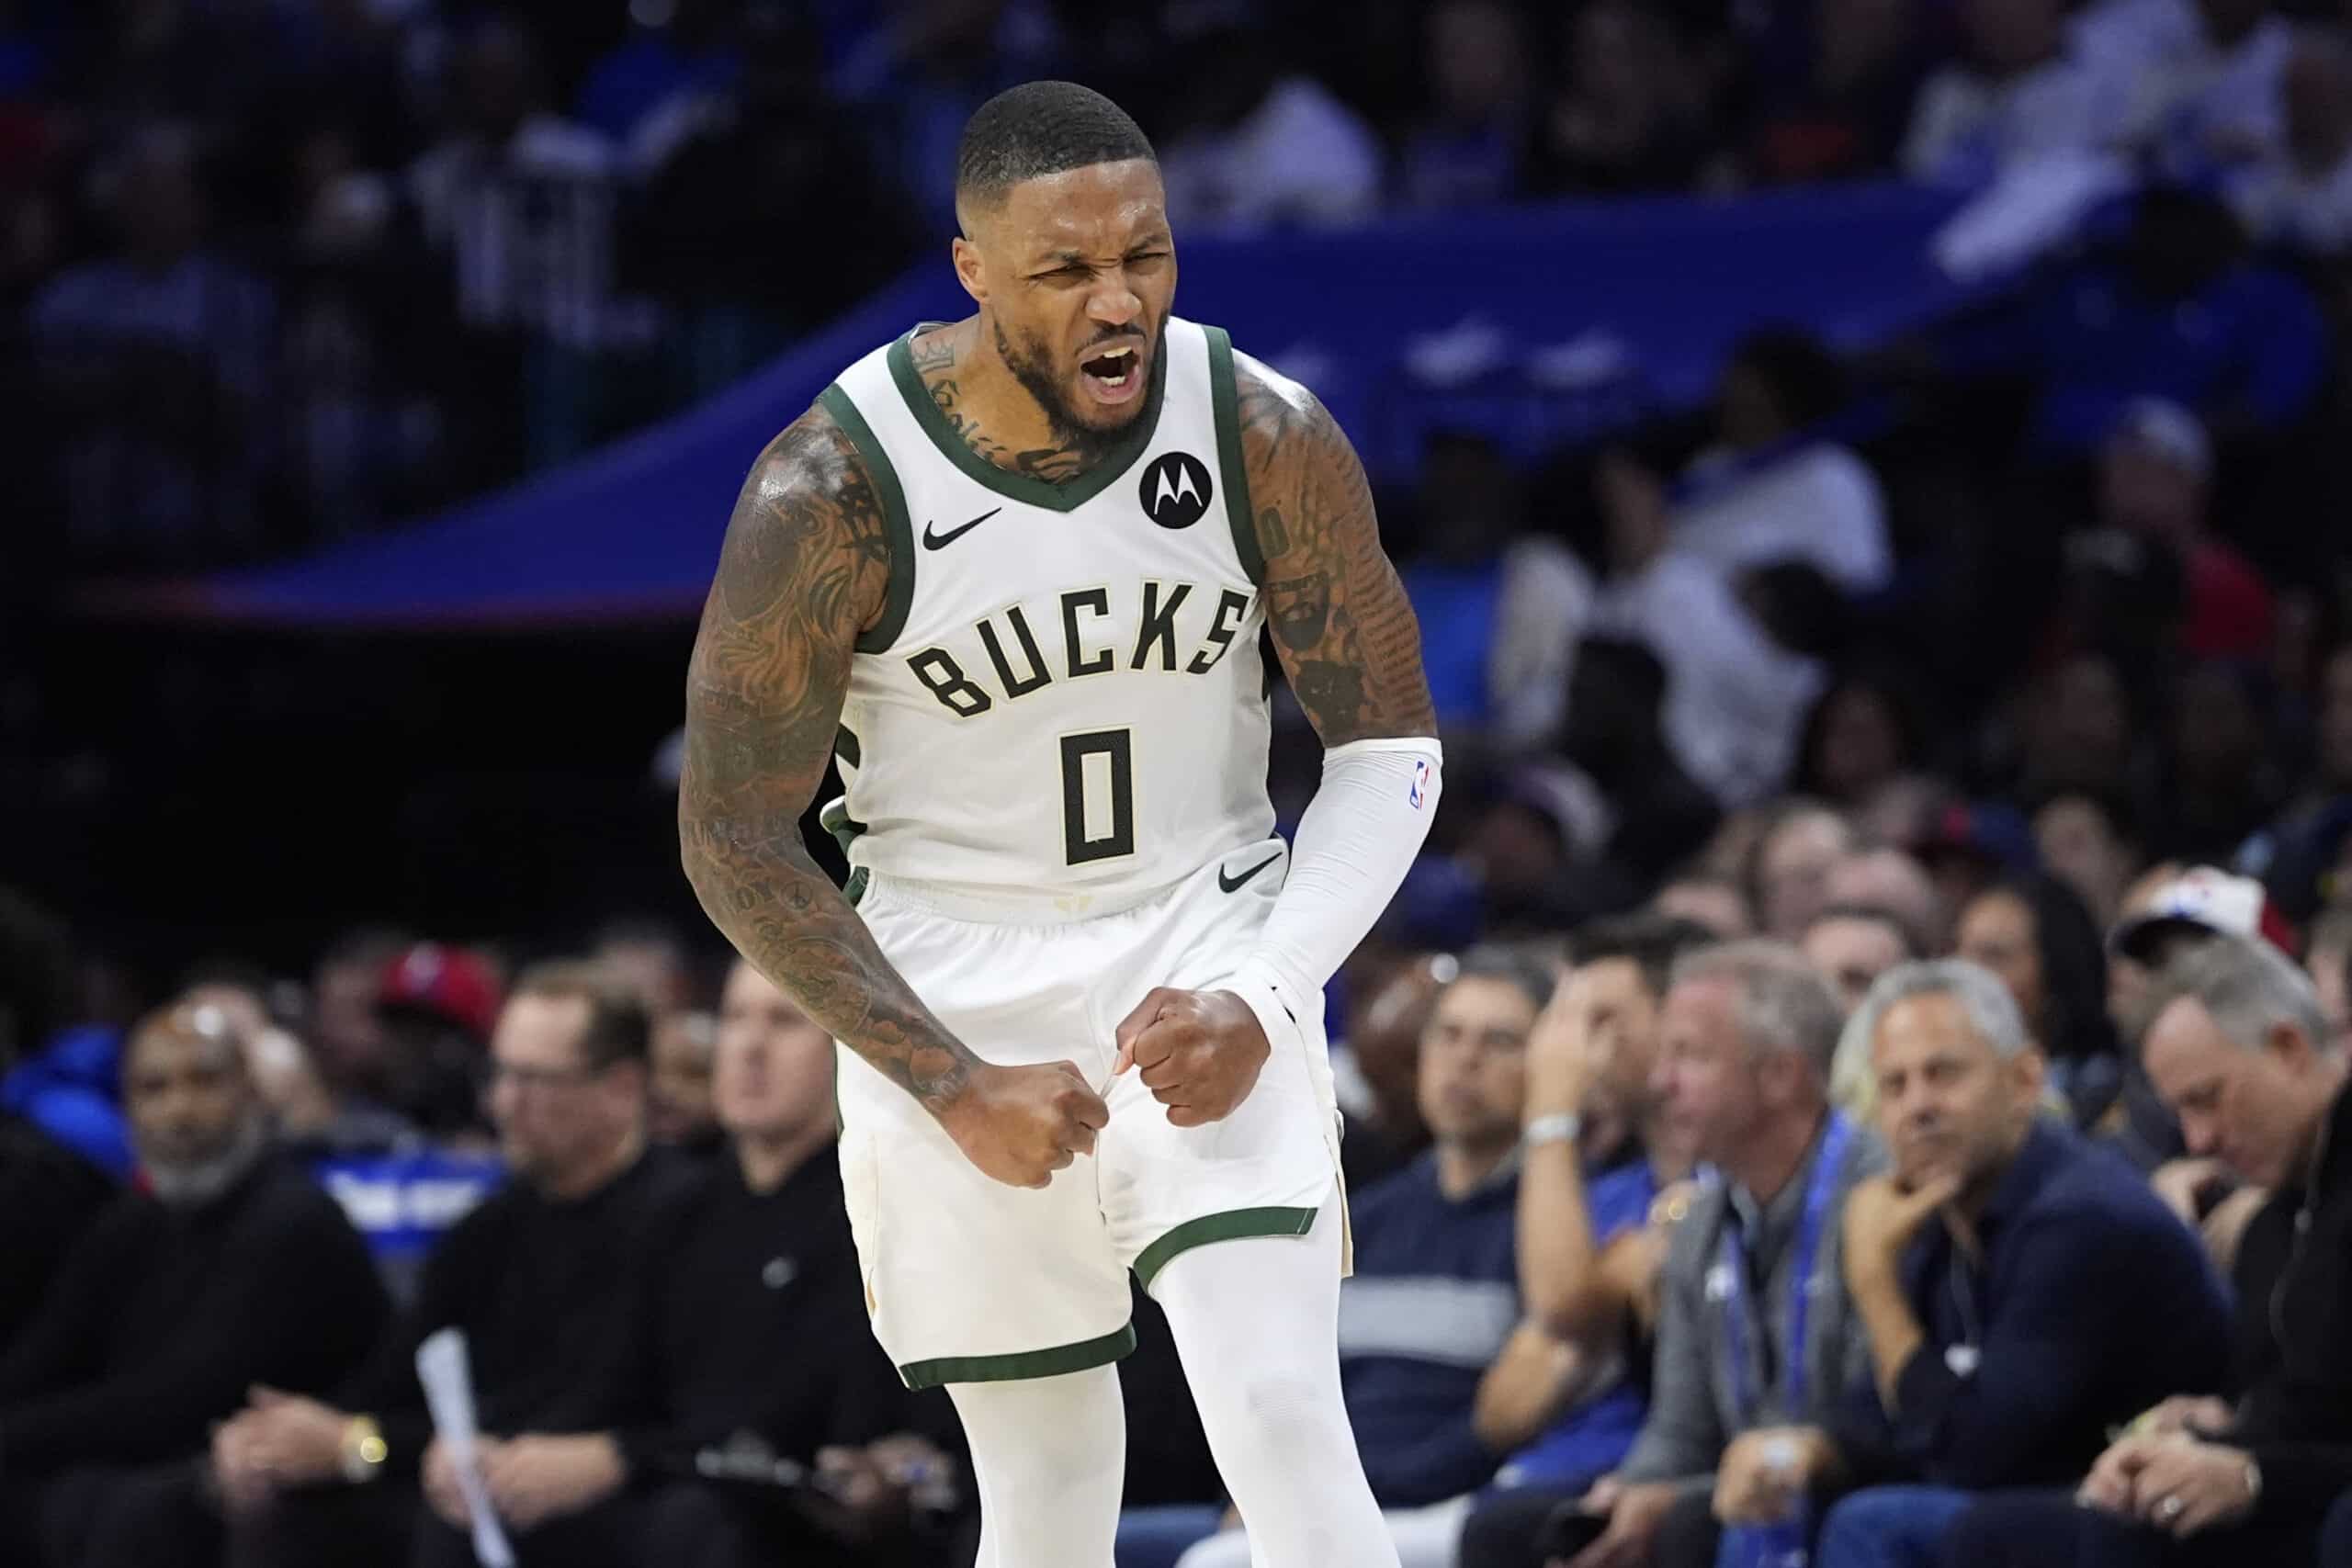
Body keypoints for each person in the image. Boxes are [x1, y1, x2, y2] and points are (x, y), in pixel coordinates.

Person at [676, 80, 1444, 1568]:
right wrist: (949, 1079)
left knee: (1284, 1410)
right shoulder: (833, 489)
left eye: (1145, 257)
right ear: (970, 268)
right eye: (1067, 270)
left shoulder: (1261, 433)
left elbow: (1390, 745)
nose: (1120, 302)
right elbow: (734, 837)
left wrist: (1269, 989)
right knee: (1044, 1489)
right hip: (947, 981)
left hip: (1203, 931)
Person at [409, 960, 942, 1568]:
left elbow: (794, 1422)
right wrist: (498, 1456)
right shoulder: (680, 1211)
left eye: (786, 1021)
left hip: (793, 1521)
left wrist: (619, 1455)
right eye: (735, 1018)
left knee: (697, 1526)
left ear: (844, 1049)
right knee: (471, 1512)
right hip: (673, 1490)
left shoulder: (872, 1215)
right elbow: (612, 1383)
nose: (751, 1046)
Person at [183, 964, 698, 1568]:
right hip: (465, 1480)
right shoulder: (489, 1226)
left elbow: (590, 1403)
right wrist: (292, 1434)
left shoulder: (681, 1214)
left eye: (534, 1080)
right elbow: (397, 1381)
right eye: (500, 1072)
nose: (503, 1102)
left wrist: (360, 1444)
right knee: (286, 1511)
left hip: (611, 1495)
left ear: (621, 1087)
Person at [1807, 960, 2231, 1568]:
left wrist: (1874, 1284)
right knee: (1777, 1494)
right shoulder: (1940, 1216)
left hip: (2155, 1513)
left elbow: (1975, 1453)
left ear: (2025, 1078)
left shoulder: (2081, 1215)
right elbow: (1876, 1424)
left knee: (1871, 1525)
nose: (1917, 1106)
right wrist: (1800, 1454)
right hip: (2033, 1502)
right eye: (1894, 1085)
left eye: (1943, 1072)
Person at [1946, 935, 2352, 1565]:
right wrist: (2204, 1428)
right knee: (1992, 1533)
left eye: (2208, 1097)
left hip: (2319, 1508)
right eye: (2180, 1112)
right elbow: (2294, 1405)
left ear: (2289, 1048)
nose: (2199, 1137)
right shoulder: (2274, 1219)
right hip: (2290, 1488)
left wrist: (2251, 1475)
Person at [1150, 950, 1544, 1567]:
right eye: (1449, 1034)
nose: (1466, 1059)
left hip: (1455, 1511)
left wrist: (1343, 1495)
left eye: (1500, 1040)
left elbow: (1502, 1427)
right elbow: (1291, 1382)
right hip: (1321, 1497)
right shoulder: (1366, 1212)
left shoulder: (1544, 1225)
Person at [0, 1002, 388, 1568]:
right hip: (166, 1464)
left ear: (252, 1092)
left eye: (204, 1081)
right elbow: (45, 1354)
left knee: (134, 1510)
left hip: (296, 1475)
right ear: (128, 1109)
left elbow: (184, 1400)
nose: (181, 1109)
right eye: (155, 1089)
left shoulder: (295, 1221)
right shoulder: (132, 1221)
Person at [1545, 942, 1885, 1568]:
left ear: (1779, 1075)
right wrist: (1633, 1488)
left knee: (1683, 1526)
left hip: (1852, 1475)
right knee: (1530, 1529)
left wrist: (1672, 1496)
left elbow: (1879, 1419)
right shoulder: (1698, 1219)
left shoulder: (1878, 1192)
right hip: (1735, 1484)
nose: (1660, 1081)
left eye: (1690, 1056)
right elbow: (1681, 1426)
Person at [1453, 915, 1715, 1568]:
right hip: (1526, 1481)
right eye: (1564, 1025)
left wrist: (1550, 1109)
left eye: (1601, 1020)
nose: (1566, 1050)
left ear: (1674, 1023)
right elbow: (1502, 1411)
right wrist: (1593, 1302)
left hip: (1643, 1480)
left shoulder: (1716, 1184)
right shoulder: (1605, 1193)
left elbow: (1565, 1308)